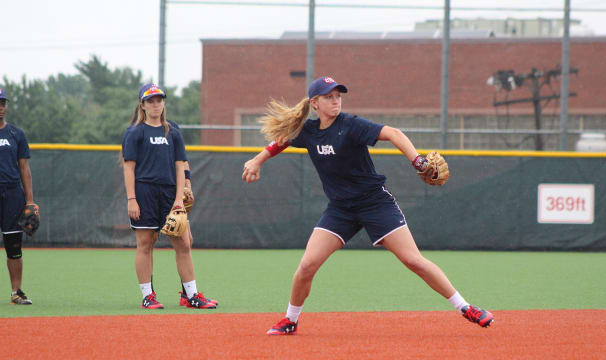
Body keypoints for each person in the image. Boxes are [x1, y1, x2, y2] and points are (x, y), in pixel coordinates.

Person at [242, 76, 494, 335]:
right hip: (341, 209)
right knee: (307, 266)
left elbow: (393, 133)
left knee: (413, 260)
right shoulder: (309, 132)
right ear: (314, 103)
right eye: (329, 97)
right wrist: (258, 160)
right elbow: (282, 140)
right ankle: (290, 320)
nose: (335, 101)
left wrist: (417, 161)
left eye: (338, 95)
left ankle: (466, 307)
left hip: (375, 203)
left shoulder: (351, 125)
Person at [121, 83, 217, 309]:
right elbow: (129, 168)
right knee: (145, 243)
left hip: (169, 192)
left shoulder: (172, 131)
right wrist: (132, 199)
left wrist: (178, 199)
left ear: (164, 103)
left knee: (183, 243)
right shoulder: (135, 132)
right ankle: (148, 296)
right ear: (142, 105)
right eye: (150, 101)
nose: (155, 104)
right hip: (144, 191)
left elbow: (180, 165)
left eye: (159, 100)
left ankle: (191, 295)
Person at [0, 88, 36, 305]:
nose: (1, 107)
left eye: (3, 103)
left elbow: (24, 169)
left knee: (14, 245)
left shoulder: (16, 134)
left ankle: (16, 292)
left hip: (12, 194)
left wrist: (30, 201)